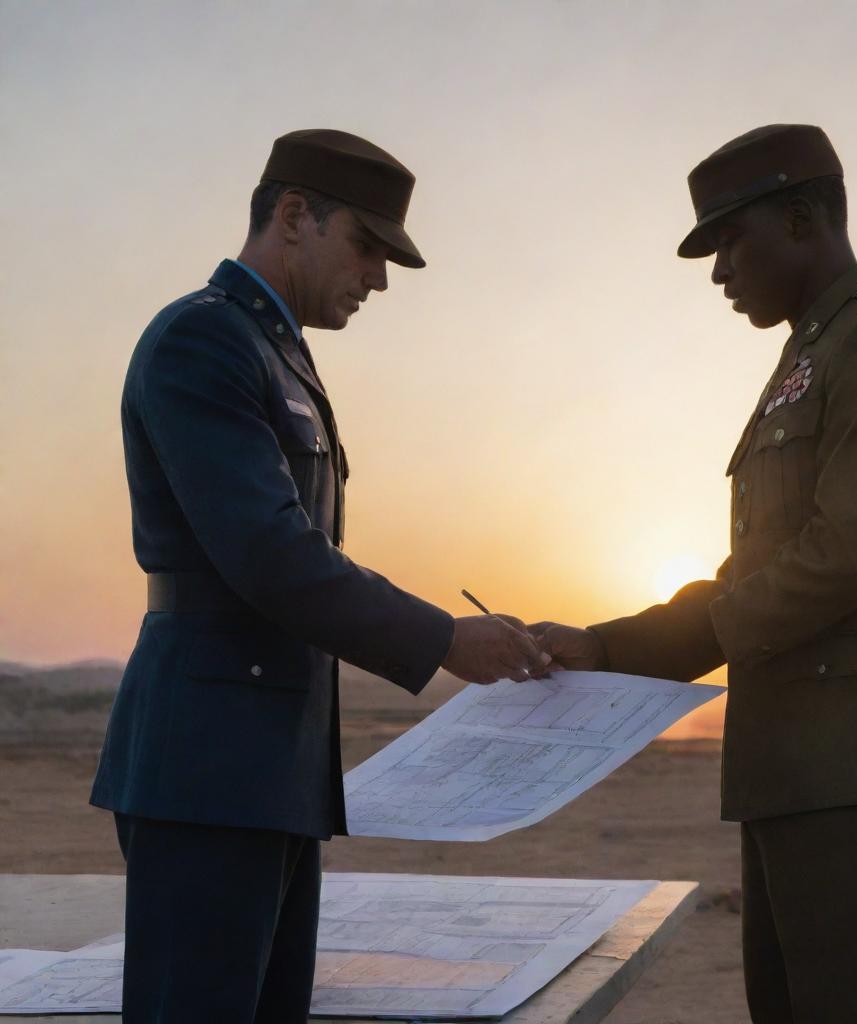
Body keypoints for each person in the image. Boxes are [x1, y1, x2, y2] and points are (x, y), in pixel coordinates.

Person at [90, 128, 549, 1023]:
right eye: (368, 246)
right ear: (295, 215)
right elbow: (272, 554)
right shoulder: (203, 342)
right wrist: (445, 638)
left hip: (270, 771)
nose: (378, 277)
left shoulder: (278, 353)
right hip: (207, 765)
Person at [531, 124, 857, 1024]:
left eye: (734, 239)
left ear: (805, 218)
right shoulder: (806, 360)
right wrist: (600, 646)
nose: (720, 268)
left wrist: (697, 634)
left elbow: (850, 555)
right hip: (797, 752)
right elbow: (748, 573)